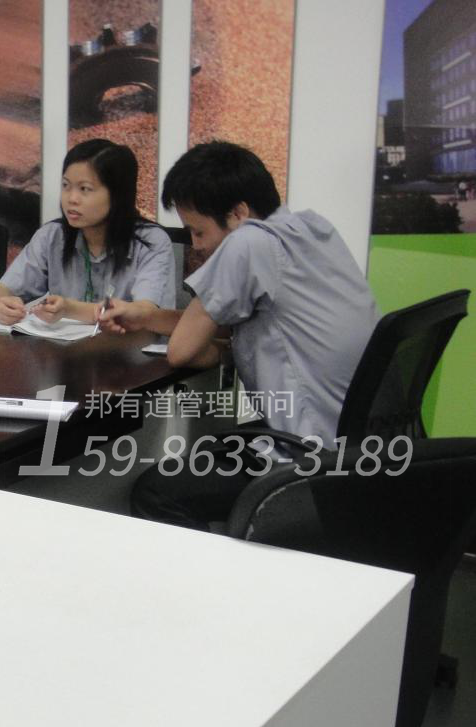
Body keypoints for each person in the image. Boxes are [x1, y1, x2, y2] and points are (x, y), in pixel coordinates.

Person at [99, 141, 378, 530]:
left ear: (238, 214)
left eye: (198, 230)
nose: (196, 244)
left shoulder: (249, 242)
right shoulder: (311, 228)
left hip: (308, 455)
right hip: (357, 444)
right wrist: (147, 318)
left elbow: (181, 351)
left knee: (157, 493)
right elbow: (237, 322)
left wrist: (214, 347)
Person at [0, 139, 175, 326]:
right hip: (61, 345)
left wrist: (69, 309)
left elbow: (147, 315)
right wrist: (2, 306)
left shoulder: (151, 241)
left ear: (118, 195)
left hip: (128, 345)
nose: (72, 199)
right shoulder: (52, 235)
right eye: (66, 186)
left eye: (85, 189)